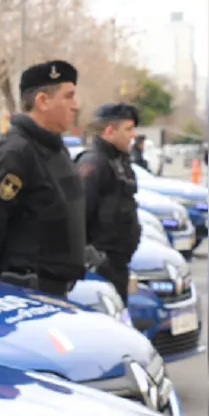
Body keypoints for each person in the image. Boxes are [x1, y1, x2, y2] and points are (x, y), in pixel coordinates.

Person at [0, 59, 85, 298]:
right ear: (42, 101)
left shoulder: (56, 149)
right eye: (69, 96)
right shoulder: (16, 152)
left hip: (56, 290)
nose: (76, 105)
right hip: (25, 293)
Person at [73, 102, 143, 303]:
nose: (132, 135)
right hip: (101, 270)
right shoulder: (93, 164)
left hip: (117, 265)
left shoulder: (119, 161)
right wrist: (95, 259)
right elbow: (77, 218)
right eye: (128, 129)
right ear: (110, 131)